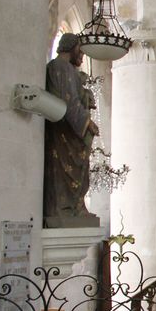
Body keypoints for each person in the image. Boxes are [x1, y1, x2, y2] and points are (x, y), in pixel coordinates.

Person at [43, 33, 100, 227]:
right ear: (72, 47)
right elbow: (69, 101)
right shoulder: (61, 67)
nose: (82, 55)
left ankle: (73, 206)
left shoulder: (63, 68)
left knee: (75, 172)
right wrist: (88, 123)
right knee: (65, 172)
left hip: (66, 129)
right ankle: (66, 208)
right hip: (64, 132)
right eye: (80, 51)